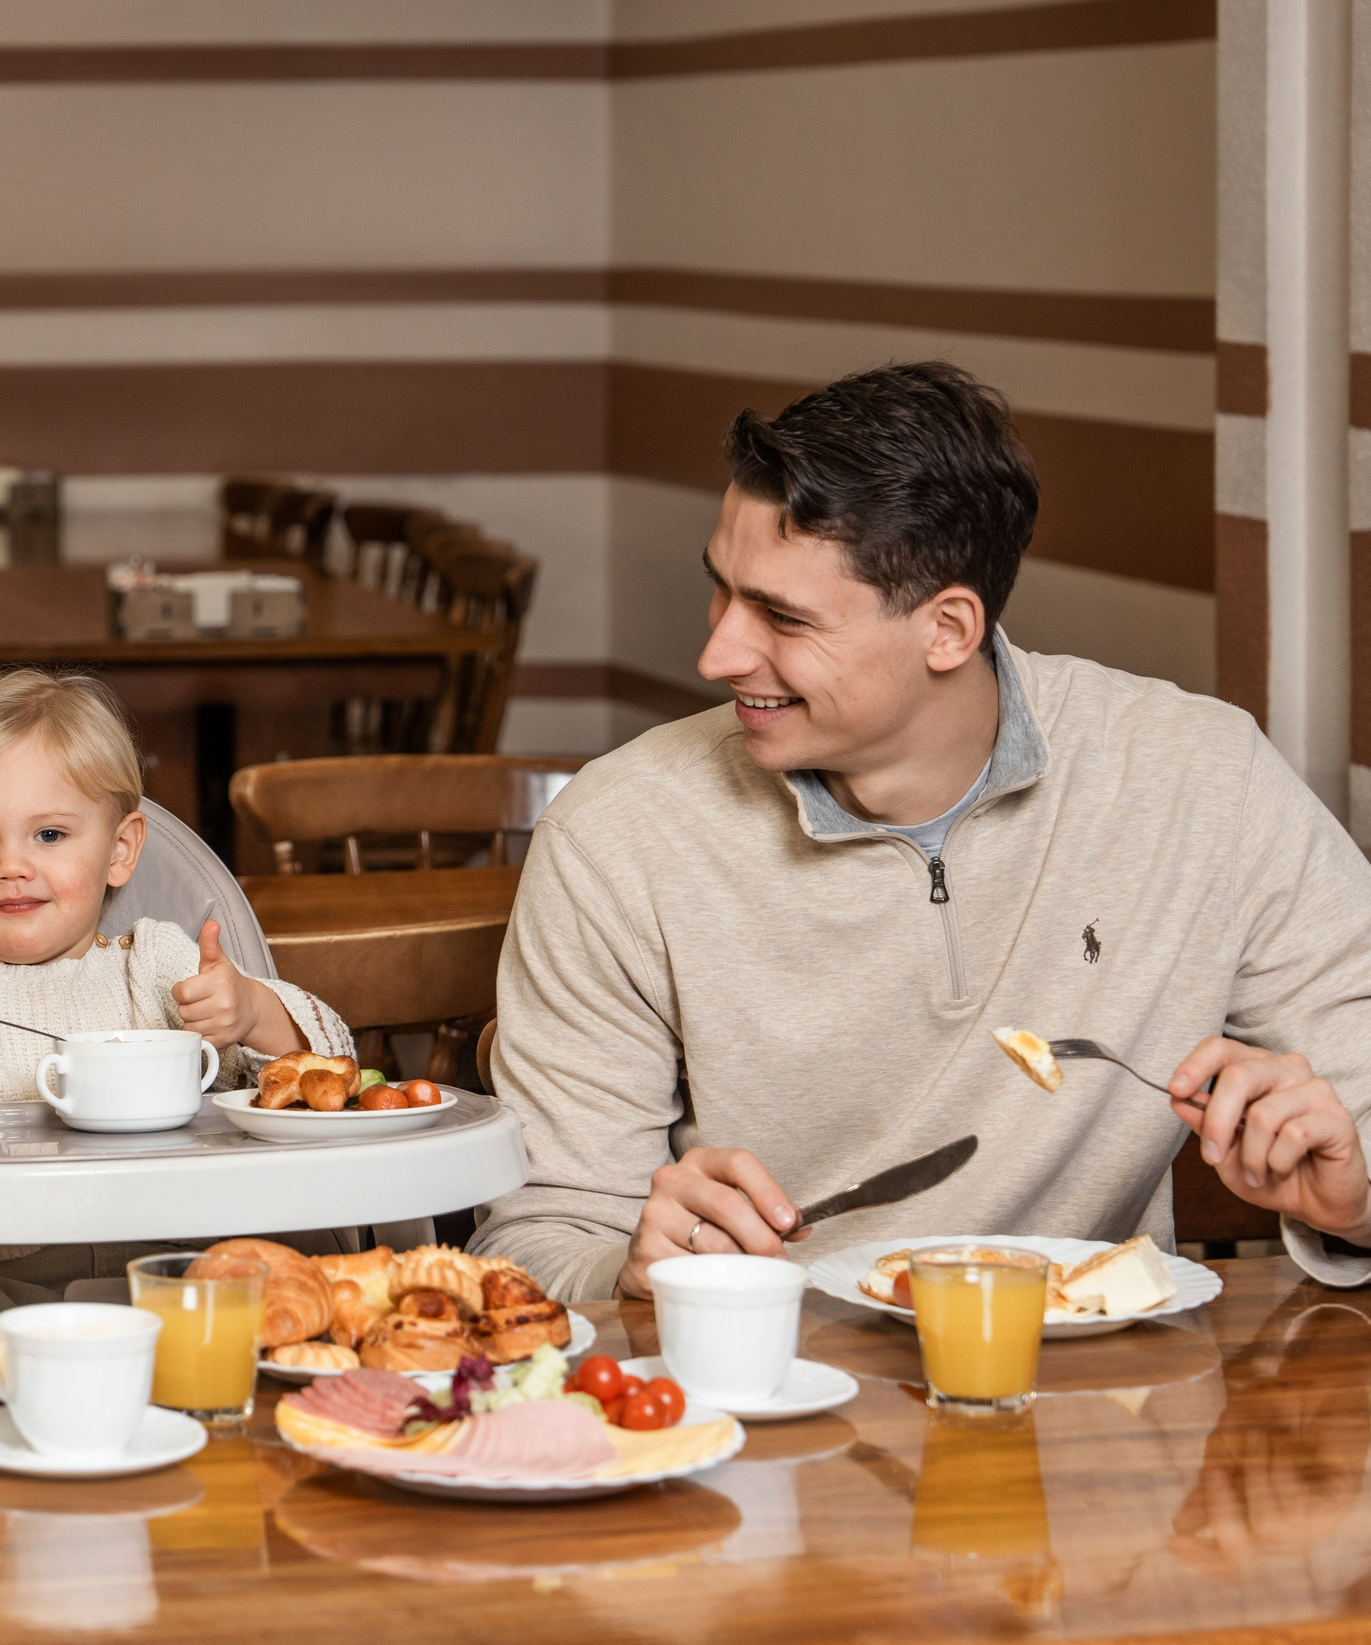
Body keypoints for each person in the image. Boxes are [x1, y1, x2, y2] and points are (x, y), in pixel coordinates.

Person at [471, 362, 1371, 1301]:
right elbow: (538, 1236)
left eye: (782, 616)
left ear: (947, 630)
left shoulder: (1202, 779)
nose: (718, 653)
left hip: (1099, 1410)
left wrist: (1352, 1206)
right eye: (723, 591)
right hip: (769, 1410)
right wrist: (629, 1273)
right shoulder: (618, 837)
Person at [0, 667, 356, 1307]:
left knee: (293, 1287)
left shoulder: (156, 964)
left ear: (120, 851)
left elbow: (327, 1071)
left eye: (50, 835)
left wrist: (251, 1011)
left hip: (174, 1257)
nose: (12, 865)